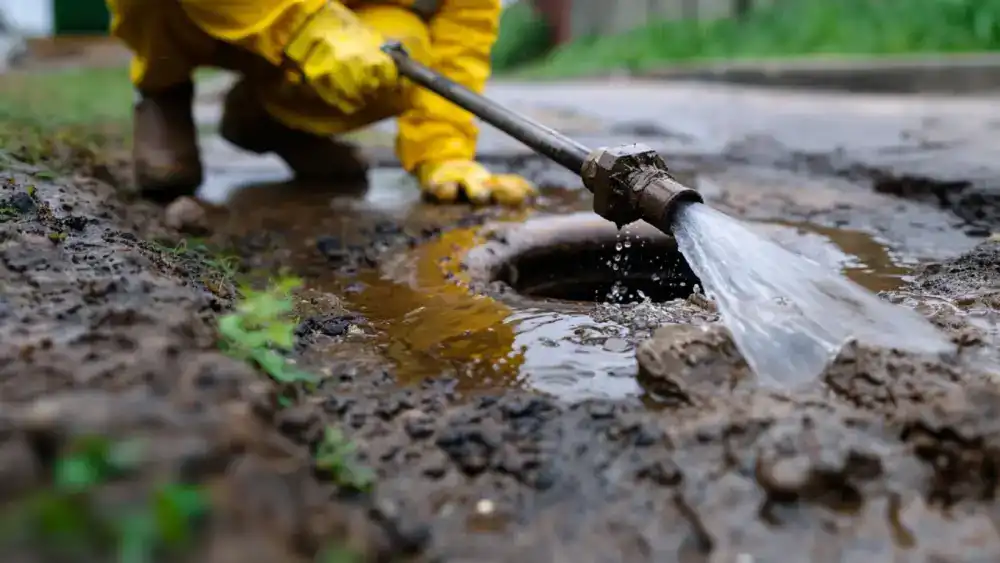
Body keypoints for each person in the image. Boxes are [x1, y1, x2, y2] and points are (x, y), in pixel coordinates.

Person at [106, 0, 537, 206]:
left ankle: (271, 117)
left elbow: (455, 56)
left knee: (404, 51)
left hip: (340, 33)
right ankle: (163, 92)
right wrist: (307, 28)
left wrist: (444, 155)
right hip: (207, 15)